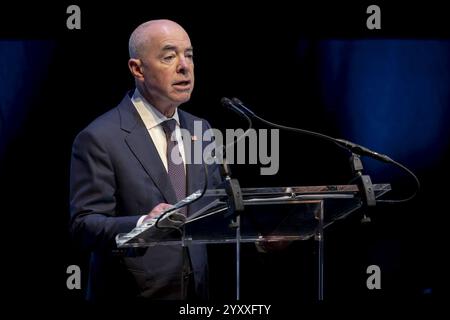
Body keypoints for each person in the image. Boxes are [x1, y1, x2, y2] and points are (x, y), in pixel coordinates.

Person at [69, 19, 222, 301]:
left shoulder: (202, 130)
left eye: (189, 55)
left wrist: (267, 232)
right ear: (137, 69)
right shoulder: (100, 137)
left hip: (198, 293)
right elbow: (83, 226)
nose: (184, 66)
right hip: (133, 292)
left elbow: (214, 208)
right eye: (169, 56)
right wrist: (143, 223)